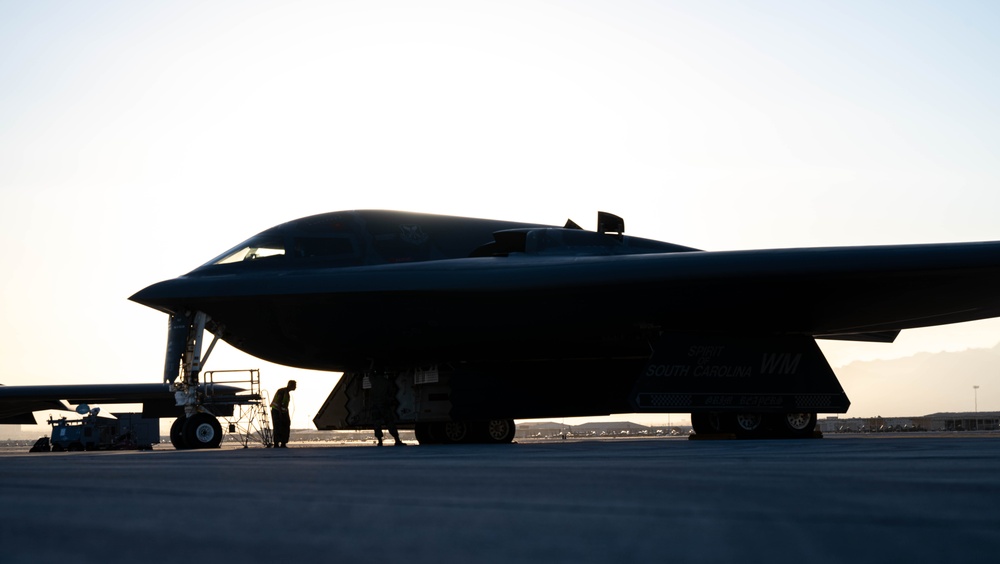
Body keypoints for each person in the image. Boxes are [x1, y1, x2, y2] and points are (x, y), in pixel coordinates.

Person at [367, 373, 405, 446]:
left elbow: (370, 373)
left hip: (375, 405)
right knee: (390, 422)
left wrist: (372, 364)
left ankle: (380, 441)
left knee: (377, 424)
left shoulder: (373, 380)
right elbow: (391, 392)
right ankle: (397, 440)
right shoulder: (386, 382)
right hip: (384, 405)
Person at [270, 380, 296, 448]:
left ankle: (283, 442)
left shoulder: (286, 393)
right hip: (277, 411)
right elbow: (278, 402)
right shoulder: (282, 391)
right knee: (278, 426)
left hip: (283, 411)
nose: (296, 387)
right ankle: (276, 443)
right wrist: (280, 413)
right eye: (294, 385)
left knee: (285, 425)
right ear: (290, 385)